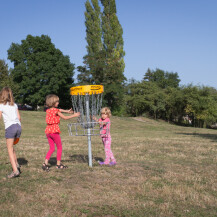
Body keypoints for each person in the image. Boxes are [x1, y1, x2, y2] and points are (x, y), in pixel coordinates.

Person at [42, 94, 80, 171]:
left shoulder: (48, 110)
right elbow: (65, 118)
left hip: (48, 131)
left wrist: (67, 111)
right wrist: (74, 115)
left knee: (51, 148)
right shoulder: (56, 111)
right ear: (53, 103)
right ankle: (58, 164)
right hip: (54, 131)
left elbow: (59, 110)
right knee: (59, 147)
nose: (58, 103)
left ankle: (45, 163)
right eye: (57, 102)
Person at [0, 87, 22, 178]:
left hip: (10, 128)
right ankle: (16, 164)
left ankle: (15, 171)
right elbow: (19, 118)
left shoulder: (1, 105)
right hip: (18, 127)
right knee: (12, 147)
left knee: (9, 149)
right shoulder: (15, 105)